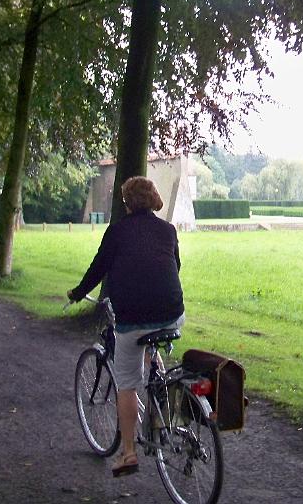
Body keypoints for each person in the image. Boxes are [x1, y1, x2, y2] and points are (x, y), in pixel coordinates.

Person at [68, 176, 185, 478]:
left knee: (127, 382)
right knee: (149, 346)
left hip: (133, 319)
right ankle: (159, 389)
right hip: (172, 314)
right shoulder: (168, 230)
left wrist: (78, 292)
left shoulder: (117, 232)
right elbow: (175, 266)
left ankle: (129, 452)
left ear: (127, 203)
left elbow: (98, 267)